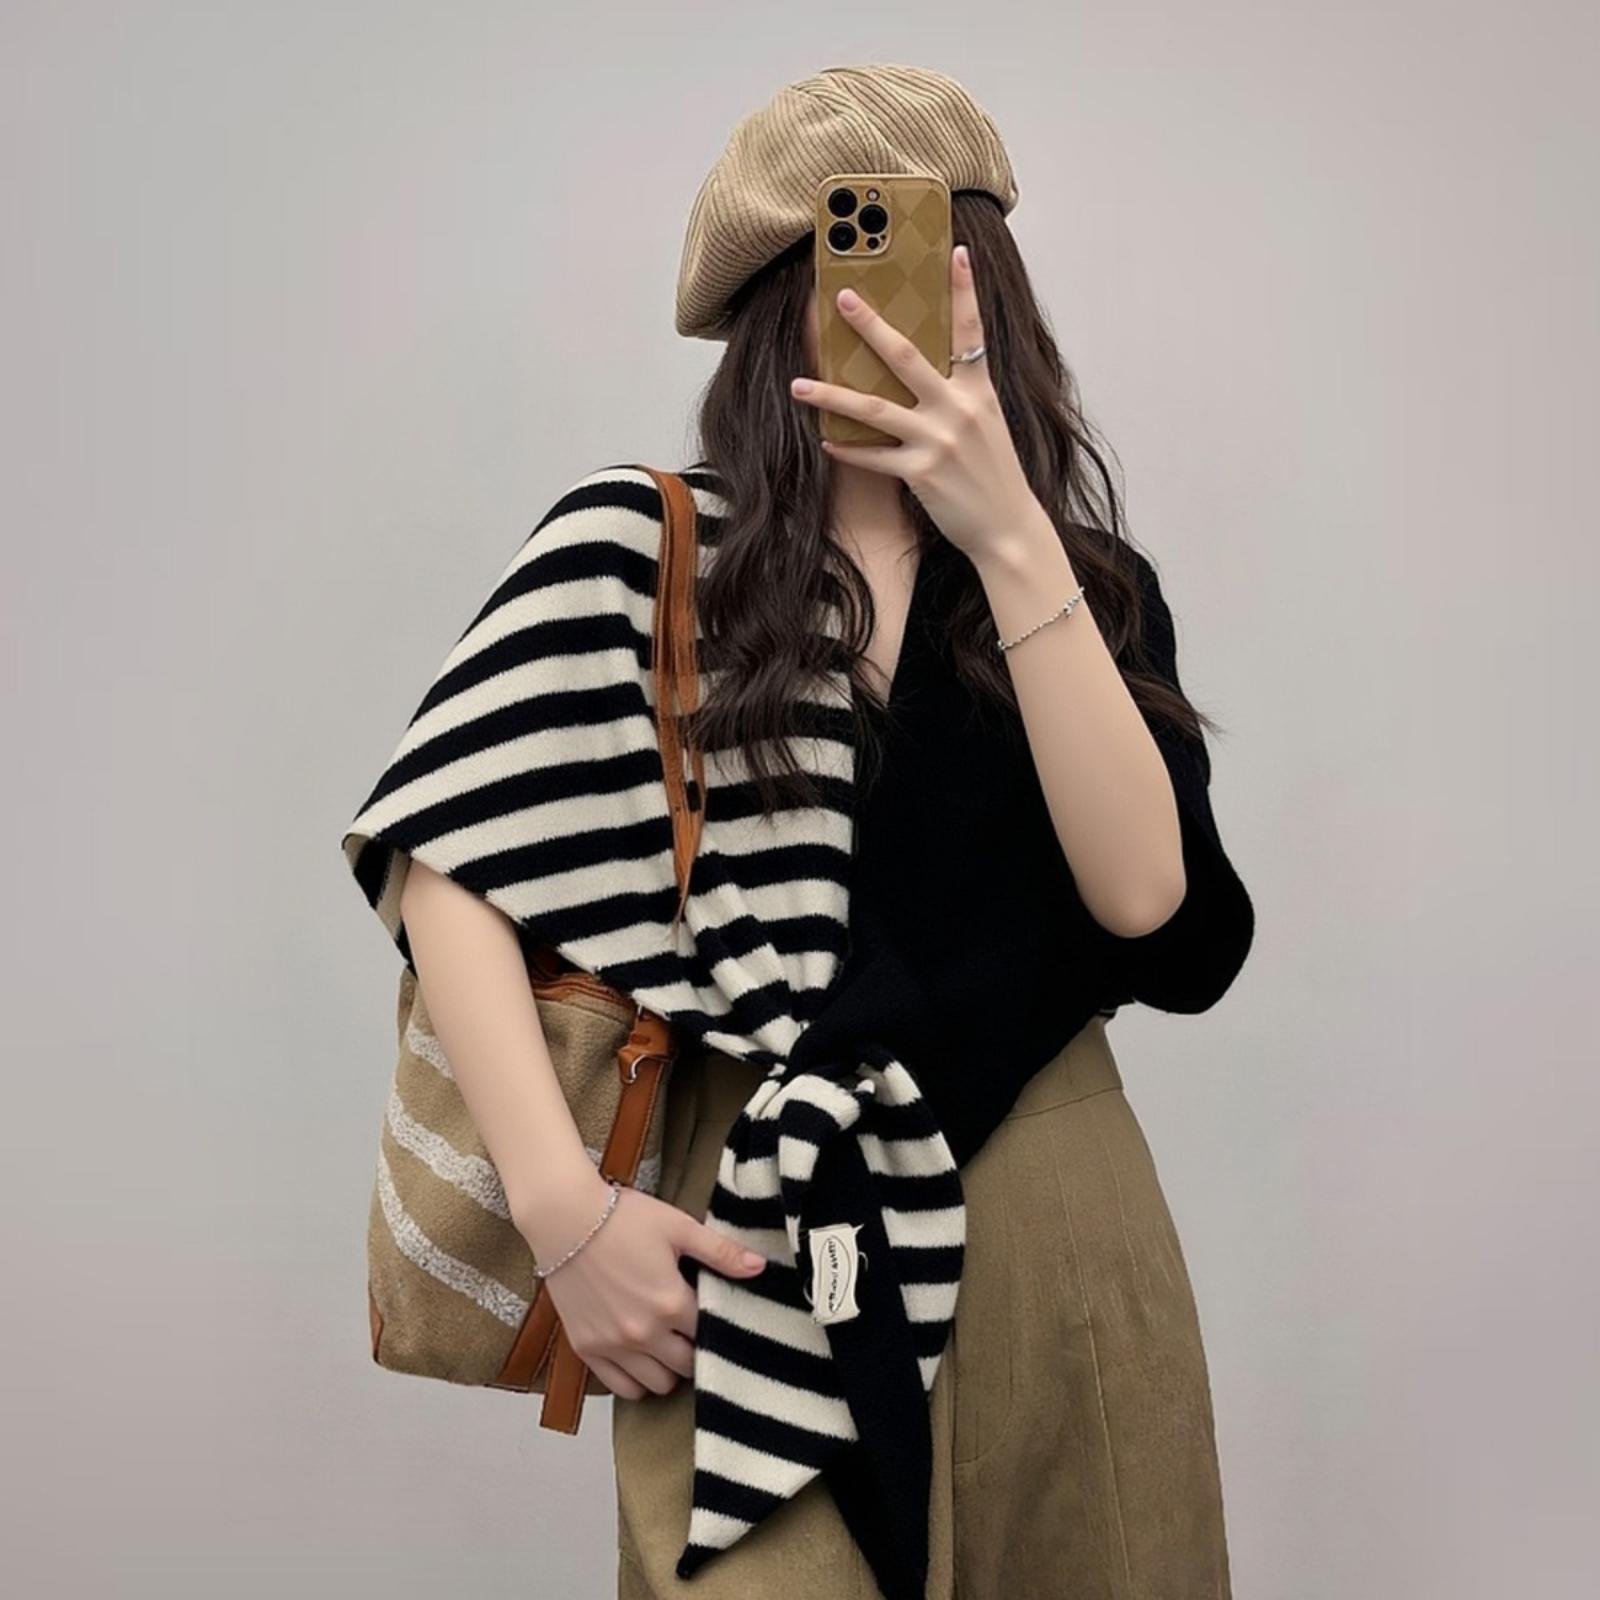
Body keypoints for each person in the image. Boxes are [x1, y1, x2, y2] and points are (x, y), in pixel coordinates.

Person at [343, 64, 1254, 1600]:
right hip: (755, 1234)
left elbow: (1151, 907)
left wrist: (1011, 539)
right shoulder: (645, 552)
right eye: (845, 261)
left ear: (996, 294)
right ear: (779, 310)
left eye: (941, 258)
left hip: (1059, 1223)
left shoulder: (1081, 588)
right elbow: (450, 863)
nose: (890, 312)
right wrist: (565, 1218)